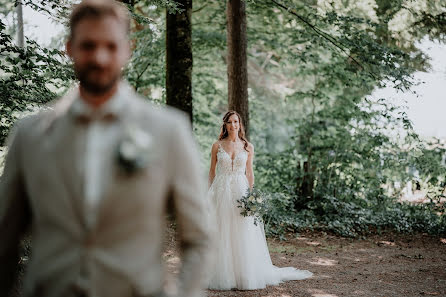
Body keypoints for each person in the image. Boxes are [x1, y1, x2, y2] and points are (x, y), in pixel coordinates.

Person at [0, 1, 211, 297]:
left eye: (110, 46)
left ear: (126, 50)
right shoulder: (29, 135)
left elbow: (198, 238)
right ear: (69, 48)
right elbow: (5, 240)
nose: (99, 57)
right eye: (88, 46)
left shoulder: (168, 131)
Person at [207, 110, 312, 290]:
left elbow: (250, 173)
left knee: (241, 231)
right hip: (221, 190)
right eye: (230, 122)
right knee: (222, 229)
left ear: (240, 124)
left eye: (236, 122)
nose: (234, 125)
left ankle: (243, 274)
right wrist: (209, 193)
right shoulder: (217, 145)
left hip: (241, 191)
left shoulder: (248, 146)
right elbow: (211, 171)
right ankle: (223, 274)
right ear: (225, 124)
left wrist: (251, 196)